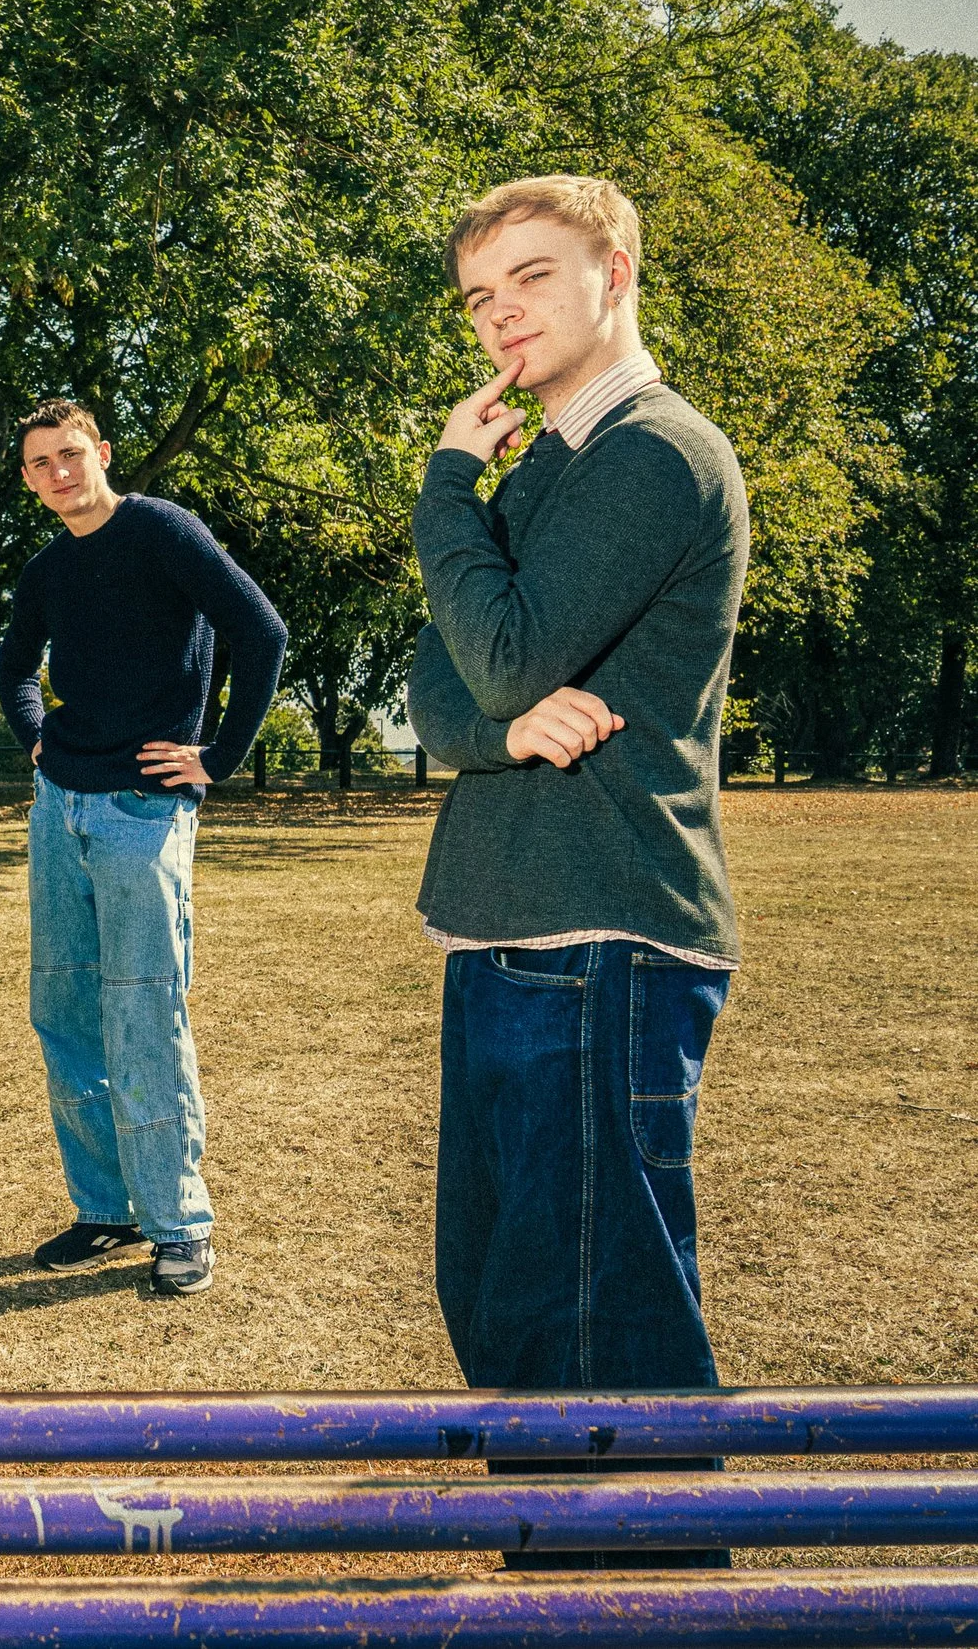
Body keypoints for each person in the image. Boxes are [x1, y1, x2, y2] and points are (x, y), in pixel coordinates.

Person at [406, 175, 747, 1569]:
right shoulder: (546, 468)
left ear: (615, 272)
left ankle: (650, 1599)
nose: (499, 316)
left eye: (530, 278)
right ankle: (559, 1583)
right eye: (479, 298)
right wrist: (499, 725)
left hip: (603, 929)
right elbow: (443, 689)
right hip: (505, 927)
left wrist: (445, 483)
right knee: (503, 1301)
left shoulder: (656, 452)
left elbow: (493, 653)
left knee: (599, 1317)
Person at [0, 400, 286, 1296]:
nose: (59, 472)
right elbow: (13, 667)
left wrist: (217, 758)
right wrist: (37, 736)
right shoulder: (48, 568)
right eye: (41, 463)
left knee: (142, 1012)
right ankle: (106, 1209)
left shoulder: (162, 530)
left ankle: (179, 1223)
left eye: (70, 453)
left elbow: (261, 630)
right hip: (59, 807)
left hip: (142, 810)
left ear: (102, 453)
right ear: (29, 480)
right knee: (65, 1012)